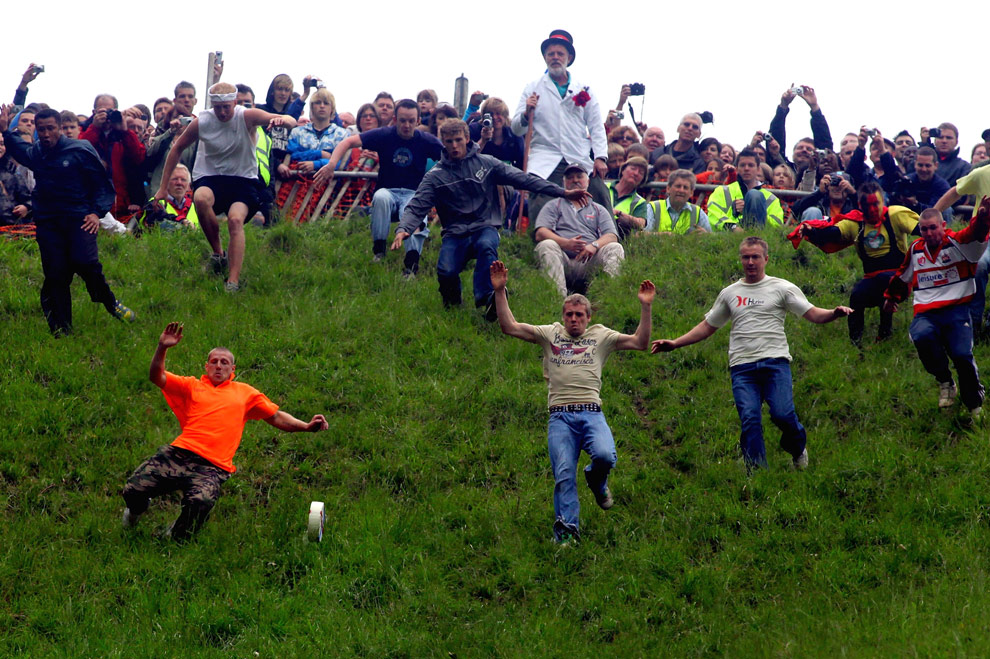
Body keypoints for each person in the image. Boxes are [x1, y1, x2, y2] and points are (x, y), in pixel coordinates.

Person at [489, 260, 655, 544]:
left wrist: (646, 306)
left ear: (589, 317)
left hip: (591, 414)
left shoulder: (601, 336)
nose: (574, 319)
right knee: (564, 475)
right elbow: (510, 327)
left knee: (604, 456)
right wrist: (500, 290)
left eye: (579, 315)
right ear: (563, 316)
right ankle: (567, 533)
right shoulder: (550, 334)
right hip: (560, 417)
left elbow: (641, 342)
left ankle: (596, 480)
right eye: (569, 315)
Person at [652, 236, 851, 470]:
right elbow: (708, 326)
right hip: (742, 367)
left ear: (766, 259)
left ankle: (797, 448)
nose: (750, 262)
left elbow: (813, 314)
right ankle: (757, 475)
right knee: (750, 419)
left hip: (775, 363)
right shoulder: (730, 293)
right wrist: (675, 343)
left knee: (782, 414)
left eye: (755, 257)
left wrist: (834, 313)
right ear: (740, 260)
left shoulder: (782, 288)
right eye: (746, 257)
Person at [121, 323, 328, 541]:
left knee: (200, 503)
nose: (219, 366)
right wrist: (162, 347)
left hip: (212, 467)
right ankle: (135, 513)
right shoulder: (192, 386)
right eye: (214, 362)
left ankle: (174, 536)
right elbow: (157, 376)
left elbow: (276, 416)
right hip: (178, 454)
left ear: (232, 369)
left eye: (224, 362)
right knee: (132, 490)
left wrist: (305, 426)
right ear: (206, 366)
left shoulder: (245, 393)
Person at [393, 120, 590, 313]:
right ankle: (452, 307)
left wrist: (563, 192)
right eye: (449, 141)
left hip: (485, 227)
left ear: (468, 138)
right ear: (442, 142)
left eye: (458, 140)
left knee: (487, 246)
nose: (454, 146)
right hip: (454, 233)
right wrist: (404, 229)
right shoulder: (435, 176)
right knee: (446, 271)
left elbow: (525, 179)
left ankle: (489, 299)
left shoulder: (486, 164)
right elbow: (417, 205)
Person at [0, 106, 135, 335]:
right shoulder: (36, 154)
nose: (45, 134)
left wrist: (96, 212)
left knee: (85, 262)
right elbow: (18, 148)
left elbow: (103, 185)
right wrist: (5, 129)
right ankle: (62, 330)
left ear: (60, 128)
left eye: (50, 128)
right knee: (56, 274)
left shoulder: (80, 149)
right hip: (49, 222)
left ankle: (109, 302)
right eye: (41, 130)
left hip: (80, 218)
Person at [156, 82, 297, 292]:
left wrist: (281, 120)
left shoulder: (246, 116)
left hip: (243, 180)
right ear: (212, 105)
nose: (222, 112)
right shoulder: (202, 121)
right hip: (211, 176)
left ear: (234, 103)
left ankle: (233, 281)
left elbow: (291, 121)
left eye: (226, 107)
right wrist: (162, 188)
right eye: (218, 108)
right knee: (201, 199)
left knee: (235, 219)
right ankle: (218, 254)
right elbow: (176, 149)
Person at [883, 203, 990, 418]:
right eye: (924, 229)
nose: (929, 233)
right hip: (926, 313)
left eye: (933, 228)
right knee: (921, 336)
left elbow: (974, 234)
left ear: (943, 225)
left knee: (962, 355)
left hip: (957, 310)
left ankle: (974, 404)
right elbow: (902, 277)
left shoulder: (957, 243)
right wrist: (890, 298)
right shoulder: (916, 249)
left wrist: (983, 217)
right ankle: (945, 381)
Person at [315, 98, 441, 272]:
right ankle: (379, 252)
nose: (406, 125)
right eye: (402, 120)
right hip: (388, 191)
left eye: (411, 121)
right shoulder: (385, 135)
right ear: (395, 119)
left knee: (412, 210)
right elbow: (348, 142)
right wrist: (330, 165)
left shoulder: (427, 140)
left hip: (413, 194)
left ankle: (411, 265)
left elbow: (450, 159)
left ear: (418, 121)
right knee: (380, 196)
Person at [511, 29, 612, 222]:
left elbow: (596, 125)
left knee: (598, 191)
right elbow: (516, 128)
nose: (555, 57)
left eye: (560, 54)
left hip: (578, 155)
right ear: (545, 57)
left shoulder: (585, 89)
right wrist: (526, 113)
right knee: (541, 199)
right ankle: (541, 242)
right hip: (545, 156)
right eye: (551, 54)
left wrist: (600, 157)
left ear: (569, 57)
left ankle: (611, 239)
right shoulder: (532, 88)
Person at [801, 181, 919, 344]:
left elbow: (925, 229)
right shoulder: (855, 223)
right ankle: (855, 342)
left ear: (882, 202)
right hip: (872, 279)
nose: (871, 210)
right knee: (857, 295)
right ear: (859, 205)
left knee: (886, 280)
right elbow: (833, 233)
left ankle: (885, 333)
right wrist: (811, 231)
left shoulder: (896, 215)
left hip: (899, 280)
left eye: (875, 204)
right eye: (866, 205)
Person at [534, 163, 624, 296]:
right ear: (563, 182)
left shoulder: (598, 209)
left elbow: (612, 236)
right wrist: (565, 243)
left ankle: (606, 299)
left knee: (615, 248)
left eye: (579, 176)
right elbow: (540, 233)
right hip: (562, 260)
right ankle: (556, 301)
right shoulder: (554, 205)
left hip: (589, 262)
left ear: (588, 181)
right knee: (546, 244)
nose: (575, 180)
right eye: (570, 177)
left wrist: (593, 246)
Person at [935, 164, 990, 332]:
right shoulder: (982, 174)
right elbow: (955, 192)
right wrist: (933, 215)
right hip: (983, 236)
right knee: (979, 265)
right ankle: (974, 322)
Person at [707, 148, 785, 230]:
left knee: (754, 195)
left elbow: (777, 225)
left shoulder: (771, 199)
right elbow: (713, 214)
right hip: (728, 240)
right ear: (736, 168)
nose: (746, 168)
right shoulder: (722, 191)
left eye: (751, 165)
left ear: (758, 169)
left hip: (759, 240)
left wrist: (751, 210)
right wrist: (733, 228)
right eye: (742, 165)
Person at [647, 169, 711, 234]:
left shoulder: (698, 212)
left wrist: (705, 235)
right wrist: (660, 236)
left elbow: (711, 238)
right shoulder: (653, 208)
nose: (681, 190)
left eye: (685, 187)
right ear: (668, 189)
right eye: (678, 186)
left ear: (691, 192)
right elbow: (642, 235)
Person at [607, 156, 650, 239]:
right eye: (633, 169)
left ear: (642, 180)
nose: (636, 173)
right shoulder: (604, 187)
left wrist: (620, 214)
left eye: (641, 173)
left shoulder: (639, 201)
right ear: (623, 170)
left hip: (618, 238)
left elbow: (641, 223)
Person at [0, 132, 32, 225]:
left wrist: (26, 207)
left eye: (2, 144)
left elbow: (27, 197)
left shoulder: (11, 170)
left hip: (12, 227)